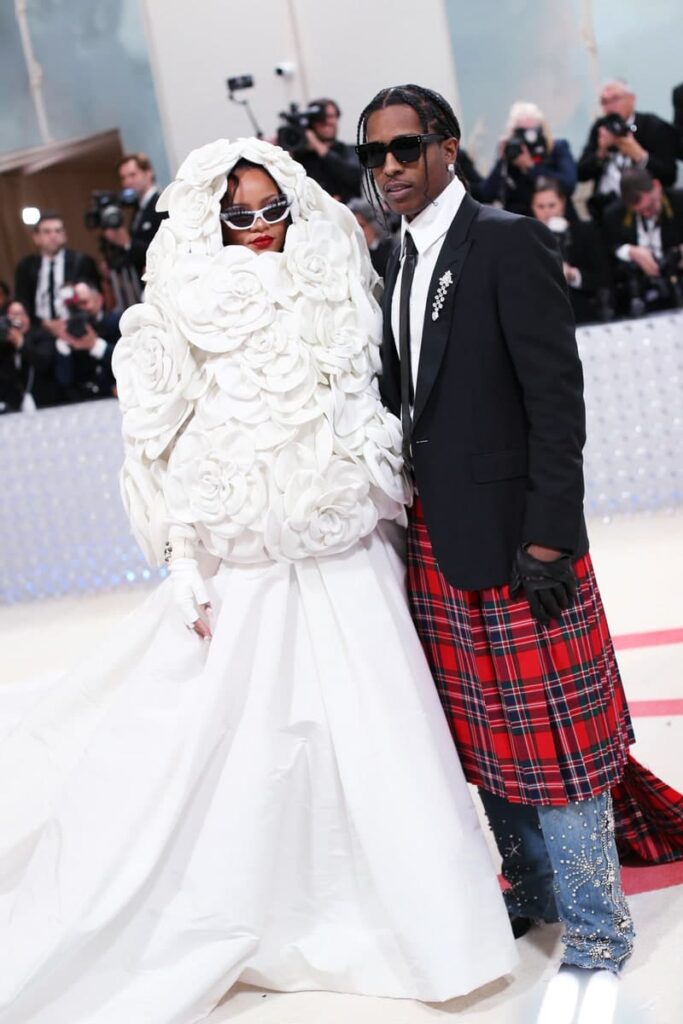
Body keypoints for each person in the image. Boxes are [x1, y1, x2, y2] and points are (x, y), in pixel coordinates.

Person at [0, 137, 517, 1023]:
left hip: (346, 549)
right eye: (236, 216)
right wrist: (181, 562)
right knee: (249, 748)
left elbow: (370, 397)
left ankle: (419, 921)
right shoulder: (178, 303)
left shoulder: (337, 273)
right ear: (211, 218)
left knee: (379, 731)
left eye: (270, 210)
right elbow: (155, 440)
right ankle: (269, 908)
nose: (257, 229)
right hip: (244, 555)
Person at [356, 82, 683, 1019]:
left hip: (521, 544)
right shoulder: (396, 260)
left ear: (448, 148)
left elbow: (556, 402)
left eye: (405, 149)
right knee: (489, 741)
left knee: (562, 745)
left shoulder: (504, 239)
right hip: (440, 548)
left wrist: (549, 535)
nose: (388, 169)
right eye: (374, 156)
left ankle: (594, 928)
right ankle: (533, 891)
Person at [578, 79, 678, 223]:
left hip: (645, 207)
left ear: (632, 99)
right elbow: (581, 173)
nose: (609, 106)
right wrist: (601, 152)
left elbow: (669, 175)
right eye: (604, 102)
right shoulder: (600, 128)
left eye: (615, 99)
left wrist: (639, 155)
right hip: (605, 208)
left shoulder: (653, 126)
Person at [530, 177, 612, 324]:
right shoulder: (527, 240)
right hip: (542, 318)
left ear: (562, 204)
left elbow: (603, 277)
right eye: (540, 207)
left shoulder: (584, 232)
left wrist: (573, 275)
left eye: (551, 205)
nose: (547, 212)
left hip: (582, 313)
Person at [603, 167, 683, 316]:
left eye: (650, 206)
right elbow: (608, 247)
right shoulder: (613, 215)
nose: (646, 213)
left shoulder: (679, 202)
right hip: (638, 292)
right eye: (639, 211)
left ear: (657, 187)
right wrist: (630, 251)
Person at [479, 101, 577, 217]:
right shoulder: (511, 157)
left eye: (533, 132)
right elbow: (487, 193)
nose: (528, 139)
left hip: (555, 221)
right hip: (521, 224)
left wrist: (531, 167)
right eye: (521, 133)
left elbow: (569, 185)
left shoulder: (556, 149)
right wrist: (503, 159)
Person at [13, 211, 100, 327]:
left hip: (78, 325)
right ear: (36, 238)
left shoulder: (82, 261)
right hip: (39, 330)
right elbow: (23, 302)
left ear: (65, 235)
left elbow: (96, 298)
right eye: (47, 232)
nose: (53, 236)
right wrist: (46, 324)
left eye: (58, 231)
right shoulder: (26, 266)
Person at [53, 281, 121, 402]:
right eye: (74, 306)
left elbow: (128, 359)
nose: (80, 310)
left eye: (84, 303)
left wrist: (94, 345)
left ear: (99, 300)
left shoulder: (116, 322)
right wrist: (63, 346)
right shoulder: (68, 333)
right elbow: (64, 381)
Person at [102, 152, 166, 278]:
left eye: (132, 175)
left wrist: (127, 242)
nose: (127, 182)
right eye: (123, 178)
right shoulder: (137, 210)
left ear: (148, 173)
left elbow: (164, 247)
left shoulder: (162, 203)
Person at [295, 97, 362, 203]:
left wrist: (318, 145)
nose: (328, 122)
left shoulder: (349, 151)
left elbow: (355, 176)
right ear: (311, 122)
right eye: (322, 118)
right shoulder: (299, 158)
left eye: (331, 116)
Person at [0, 298, 59, 413]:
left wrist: (20, 343)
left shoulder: (42, 336)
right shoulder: (3, 344)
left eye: (22, 314)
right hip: (11, 404)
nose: (19, 319)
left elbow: (43, 362)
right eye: (14, 315)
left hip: (43, 400)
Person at [347, 196, 397, 278]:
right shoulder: (353, 257)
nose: (357, 232)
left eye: (361, 226)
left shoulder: (393, 252)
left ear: (374, 225)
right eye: (353, 227)